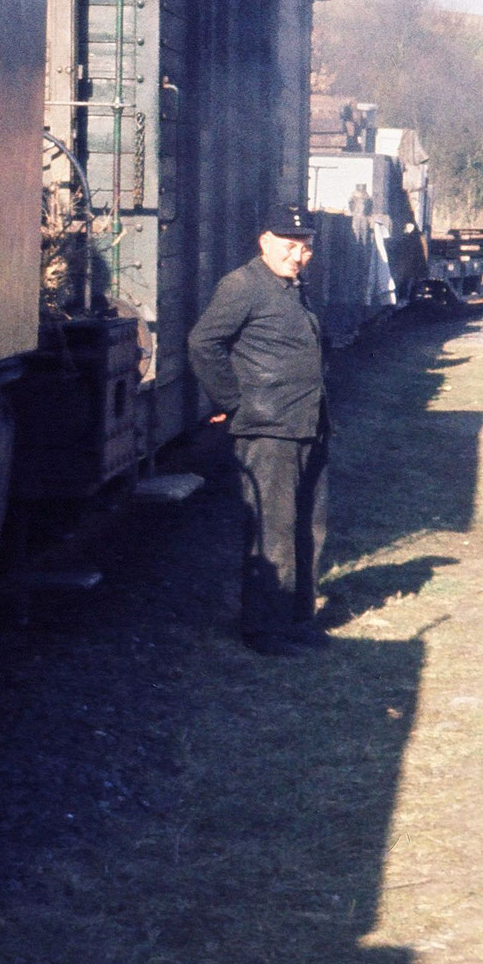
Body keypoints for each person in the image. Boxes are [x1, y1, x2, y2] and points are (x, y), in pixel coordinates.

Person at [187, 206, 331, 657]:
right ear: (263, 240)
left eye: (305, 246)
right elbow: (202, 343)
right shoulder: (243, 286)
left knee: (311, 524)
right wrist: (233, 402)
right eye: (289, 245)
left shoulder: (291, 287)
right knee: (274, 529)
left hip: (308, 423)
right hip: (269, 428)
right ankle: (265, 629)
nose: (298, 254)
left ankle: (298, 617)